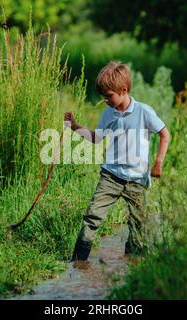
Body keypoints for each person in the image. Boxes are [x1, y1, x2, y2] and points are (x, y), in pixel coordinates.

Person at [64, 61, 170, 263]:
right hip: (110, 177)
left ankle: (134, 263)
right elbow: (96, 138)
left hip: (137, 180)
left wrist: (158, 163)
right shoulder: (108, 114)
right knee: (92, 217)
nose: (105, 100)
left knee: (139, 224)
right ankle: (78, 263)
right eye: (103, 96)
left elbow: (165, 135)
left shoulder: (143, 111)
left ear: (124, 89)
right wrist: (74, 126)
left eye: (109, 95)